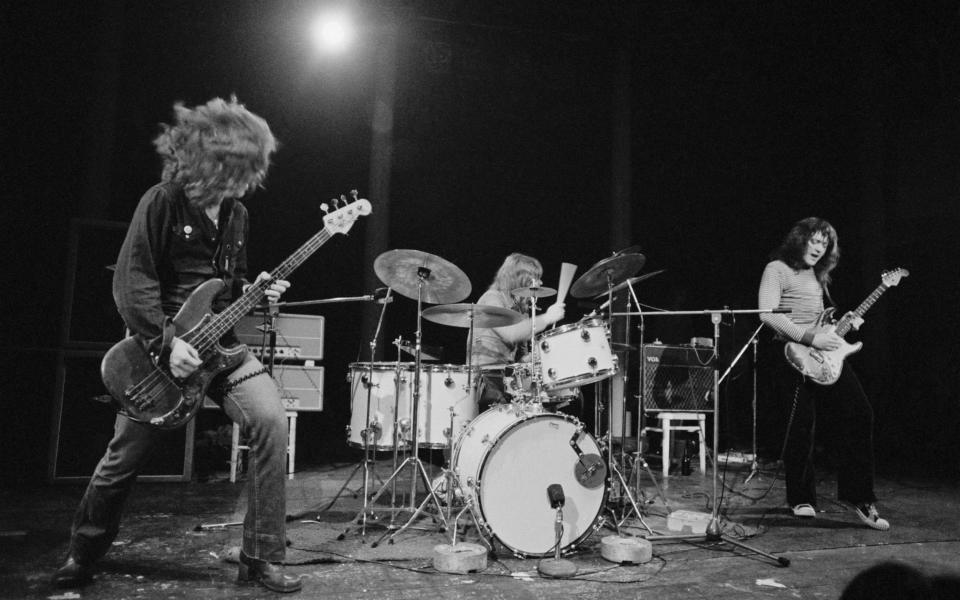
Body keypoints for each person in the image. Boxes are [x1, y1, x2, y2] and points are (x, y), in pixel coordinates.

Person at [53, 97, 302, 593]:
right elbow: (132, 282)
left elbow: (226, 288)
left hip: (223, 349)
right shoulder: (162, 201)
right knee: (122, 458)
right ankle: (84, 550)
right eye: (239, 167)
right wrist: (166, 342)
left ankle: (261, 555)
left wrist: (258, 291)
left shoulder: (238, 216)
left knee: (271, 423)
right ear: (215, 161)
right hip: (159, 353)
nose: (247, 178)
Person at [758, 217, 889, 531]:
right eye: (814, 241)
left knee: (860, 412)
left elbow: (820, 321)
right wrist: (811, 338)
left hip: (823, 354)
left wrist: (840, 325)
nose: (818, 249)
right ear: (799, 239)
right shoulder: (775, 269)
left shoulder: (818, 277)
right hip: (792, 354)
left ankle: (859, 496)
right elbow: (767, 314)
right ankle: (800, 498)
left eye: (824, 244)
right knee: (802, 426)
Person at [469, 253, 565, 409]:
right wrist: (547, 318)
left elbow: (520, 361)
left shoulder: (522, 312)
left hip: (507, 379)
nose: (540, 282)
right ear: (520, 279)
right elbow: (512, 334)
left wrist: (541, 354)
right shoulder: (492, 299)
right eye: (535, 277)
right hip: (486, 378)